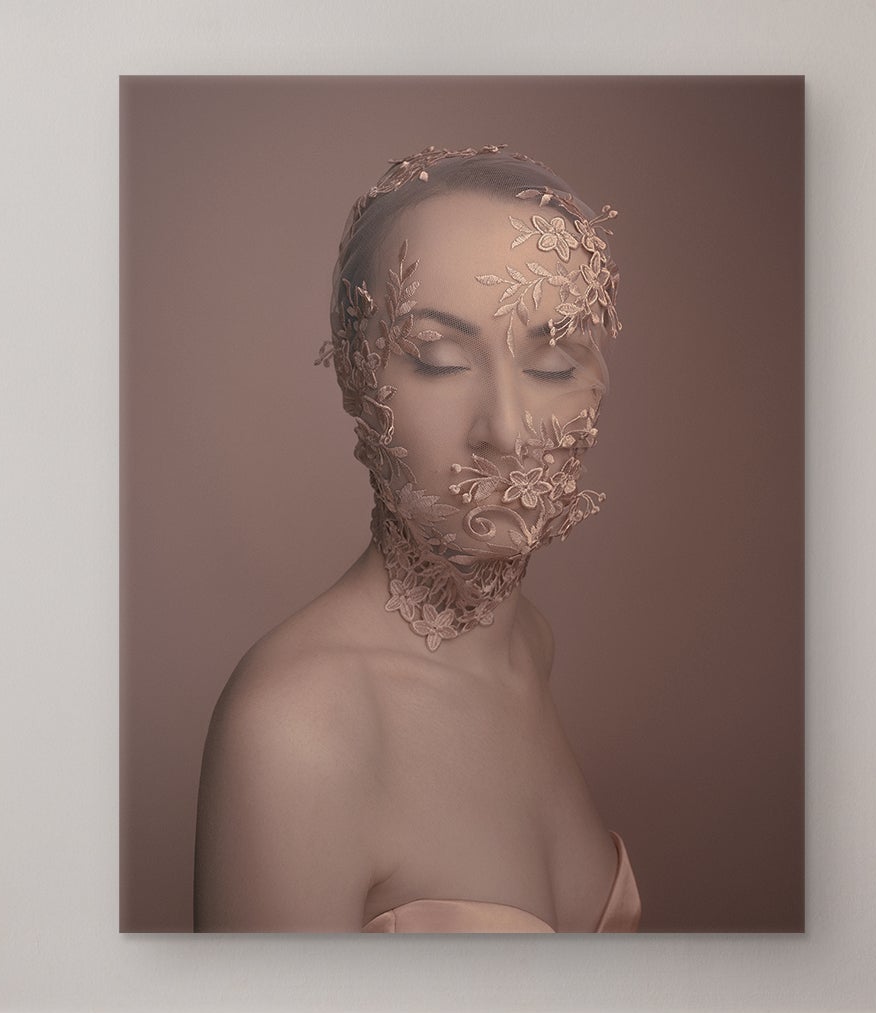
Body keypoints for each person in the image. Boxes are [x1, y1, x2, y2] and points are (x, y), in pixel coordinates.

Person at [192, 146, 639, 933]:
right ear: (356, 377)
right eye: (437, 358)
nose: (505, 430)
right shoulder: (298, 728)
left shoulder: (530, 648)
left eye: (555, 359)